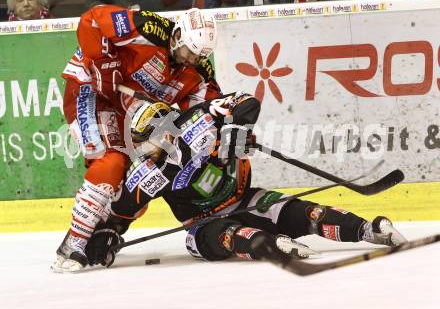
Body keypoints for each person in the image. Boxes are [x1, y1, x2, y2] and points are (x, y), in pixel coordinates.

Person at [81, 92, 408, 270]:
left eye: (147, 137)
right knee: (215, 237)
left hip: (244, 197)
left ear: (167, 126)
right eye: (139, 140)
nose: (144, 146)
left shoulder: (198, 120)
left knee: (307, 214)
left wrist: (234, 133)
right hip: (204, 223)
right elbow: (122, 210)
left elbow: (245, 102)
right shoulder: (147, 173)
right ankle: (268, 243)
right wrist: (107, 236)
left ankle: (369, 229)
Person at [51, 6, 221, 273]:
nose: (192, 59)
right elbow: (92, 19)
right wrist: (103, 63)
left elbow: (207, 112)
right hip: (91, 90)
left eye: (200, 56)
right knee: (111, 161)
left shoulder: (200, 73)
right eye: (189, 51)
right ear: (177, 36)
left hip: (131, 112)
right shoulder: (148, 28)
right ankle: (75, 241)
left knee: (141, 175)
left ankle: (101, 230)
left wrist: (229, 127)